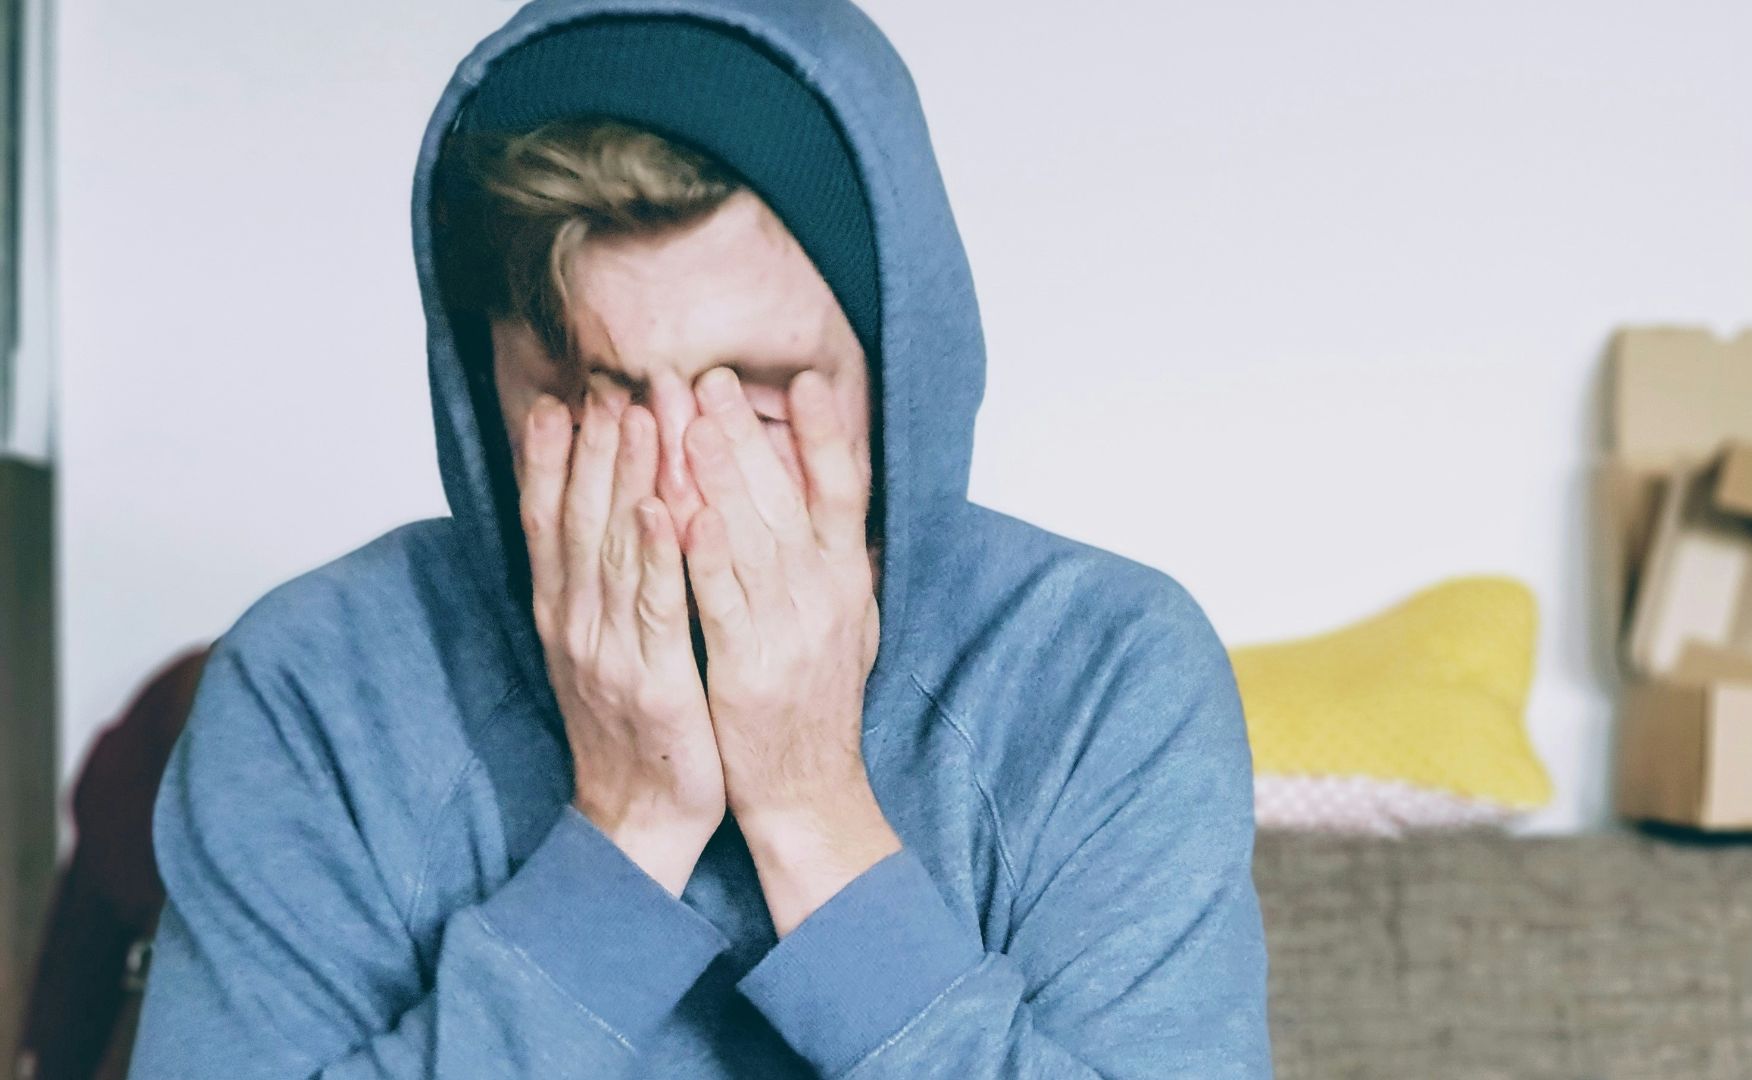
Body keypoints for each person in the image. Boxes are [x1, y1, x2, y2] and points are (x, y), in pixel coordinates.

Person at [125, 2, 1272, 1077]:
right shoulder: (317, 685)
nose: (677, 489)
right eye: (595, 398)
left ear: (897, 376)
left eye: (759, 402)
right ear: (485, 393)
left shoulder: (1107, 672)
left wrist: (811, 811)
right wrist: (626, 831)